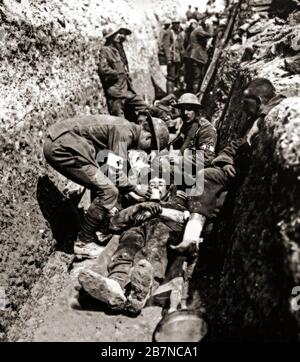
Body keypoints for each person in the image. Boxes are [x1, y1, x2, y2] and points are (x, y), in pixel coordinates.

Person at [172, 78, 286, 254]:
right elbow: (233, 146)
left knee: (205, 177)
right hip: (231, 170)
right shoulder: (252, 120)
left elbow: (208, 156)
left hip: (243, 175)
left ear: (260, 101)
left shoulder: (267, 116)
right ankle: (194, 238)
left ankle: (191, 237)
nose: (241, 105)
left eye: (245, 101)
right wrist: (225, 162)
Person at [43, 114, 169, 259]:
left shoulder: (125, 129)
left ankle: (97, 228)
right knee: (109, 191)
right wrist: (136, 188)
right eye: (150, 147)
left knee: (104, 184)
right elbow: (115, 173)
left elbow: (109, 164)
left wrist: (131, 188)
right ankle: (83, 243)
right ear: (148, 138)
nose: (146, 152)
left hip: (63, 143)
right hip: (62, 147)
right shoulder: (124, 133)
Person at [78, 175, 189, 313]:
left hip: (164, 229)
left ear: (168, 189)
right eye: (152, 183)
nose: (154, 185)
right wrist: (137, 208)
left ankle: (141, 293)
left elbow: (184, 221)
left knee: (153, 251)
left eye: (160, 183)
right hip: (137, 229)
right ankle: (115, 286)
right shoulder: (139, 204)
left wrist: (159, 210)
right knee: (126, 249)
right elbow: (114, 224)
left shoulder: (177, 203)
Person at [98, 26, 147, 122]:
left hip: (127, 92)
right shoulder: (106, 50)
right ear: (111, 36)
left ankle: (141, 128)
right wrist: (118, 74)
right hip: (116, 94)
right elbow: (103, 69)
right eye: (118, 34)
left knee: (144, 107)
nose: (121, 36)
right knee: (121, 124)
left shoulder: (120, 50)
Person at [184, 20, 214, 93]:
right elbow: (210, 34)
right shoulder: (198, 30)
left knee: (195, 76)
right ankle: (194, 96)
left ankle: (192, 93)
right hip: (197, 56)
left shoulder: (195, 31)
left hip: (195, 56)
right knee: (197, 77)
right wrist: (210, 25)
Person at [164, 20, 185, 94]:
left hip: (179, 58)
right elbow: (166, 46)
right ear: (172, 24)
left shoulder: (180, 33)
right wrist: (168, 58)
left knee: (177, 76)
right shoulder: (169, 32)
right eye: (175, 24)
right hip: (172, 58)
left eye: (178, 23)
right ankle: (169, 95)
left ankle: (175, 94)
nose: (177, 25)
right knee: (171, 77)